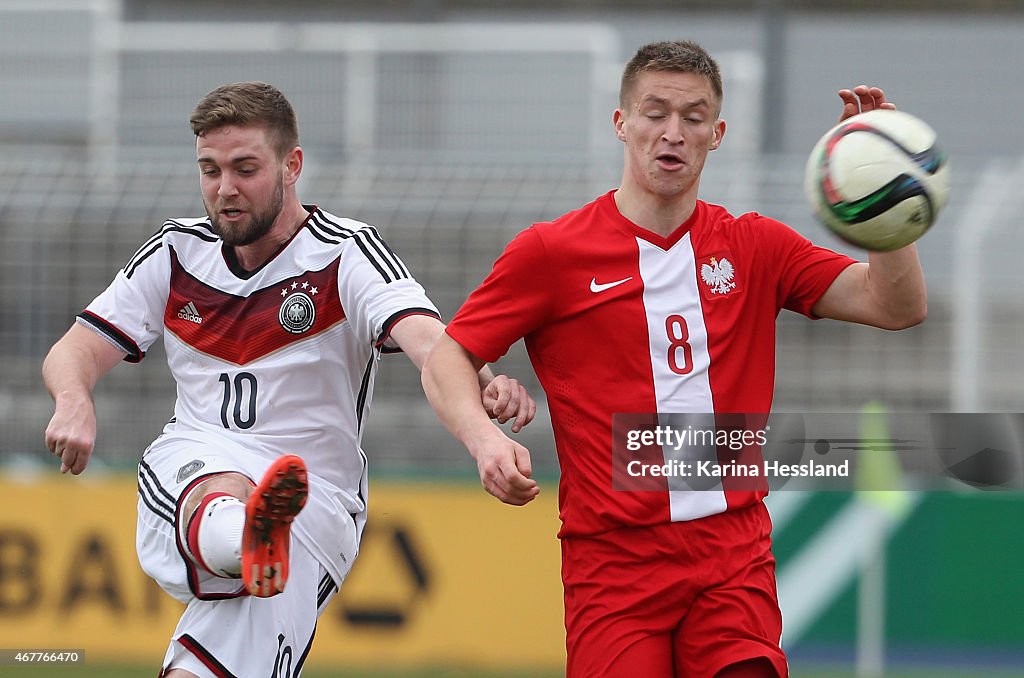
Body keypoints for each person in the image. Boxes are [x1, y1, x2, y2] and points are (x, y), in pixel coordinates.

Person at [420, 41, 926, 678]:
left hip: (732, 553)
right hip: (615, 564)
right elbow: (447, 359)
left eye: (692, 117)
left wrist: (886, 202)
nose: (672, 132)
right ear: (621, 123)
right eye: (654, 112)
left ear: (717, 134)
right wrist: (484, 440)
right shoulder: (552, 253)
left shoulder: (755, 245)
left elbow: (895, 304)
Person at [41, 81, 535, 677]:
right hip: (202, 461)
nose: (225, 189)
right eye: (210, 170)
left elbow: (430, 342)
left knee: (231, 502)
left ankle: (250, 533)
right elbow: (75, 349)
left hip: (313, 504)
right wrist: (73, 400)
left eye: (245, 168)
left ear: (291, 165)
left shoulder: (345, 253)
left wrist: (483, 422)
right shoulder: (175, 252)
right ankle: (244, 536)